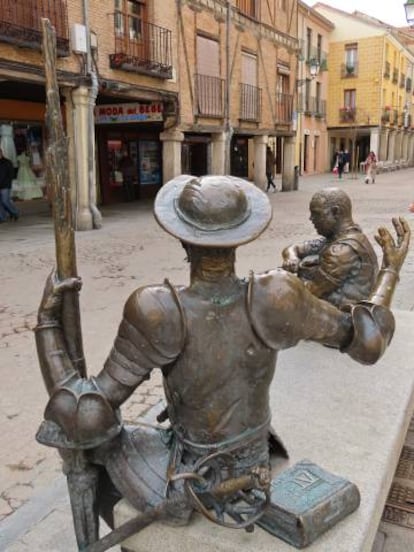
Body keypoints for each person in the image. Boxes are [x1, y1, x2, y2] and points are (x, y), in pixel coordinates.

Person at [35, 175, 409, 541]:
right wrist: (390, 269)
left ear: (183, 240)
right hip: (255, 457)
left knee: (96, 441)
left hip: (190, 473)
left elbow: (86, 413)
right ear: (241, 236)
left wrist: (48, 324)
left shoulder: (158, 310)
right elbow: (367, 344)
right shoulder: (278, 296)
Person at [281, 187, 379, 308]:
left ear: (335, 212)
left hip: (342, 319)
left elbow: (307, 292)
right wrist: (292, 257)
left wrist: (280, 282)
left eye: (316, 213)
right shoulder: (339, 238)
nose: (311, 219)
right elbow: (293, 248)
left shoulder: (341, 251)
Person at [0, 148, 19, 222]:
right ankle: (2, 217)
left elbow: (11, 174)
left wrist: (8, 182)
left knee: (5, 201)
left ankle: (15, 212)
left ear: (1, 153)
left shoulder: (7, 162)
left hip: (5, 185)